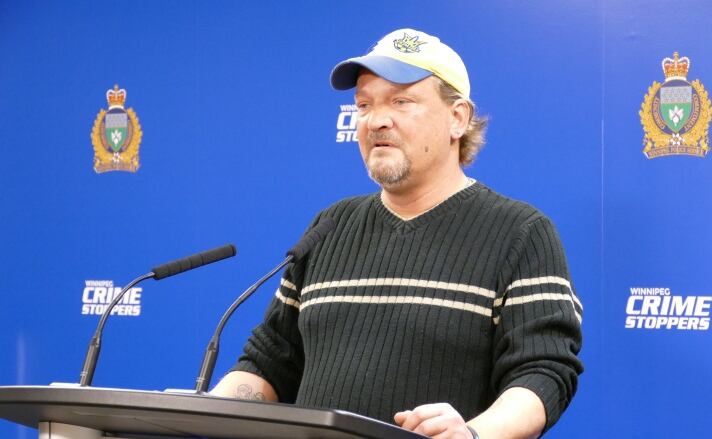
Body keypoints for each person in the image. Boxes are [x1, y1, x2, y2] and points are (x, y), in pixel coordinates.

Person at [211, 28, 583, 439]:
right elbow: (269, 364)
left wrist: (472, 434)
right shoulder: (330, 226)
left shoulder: (521, 232)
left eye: (401, 102)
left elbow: (543, 373)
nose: (377, 120)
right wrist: (203, 412)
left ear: (457, 117)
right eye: (364, 105)